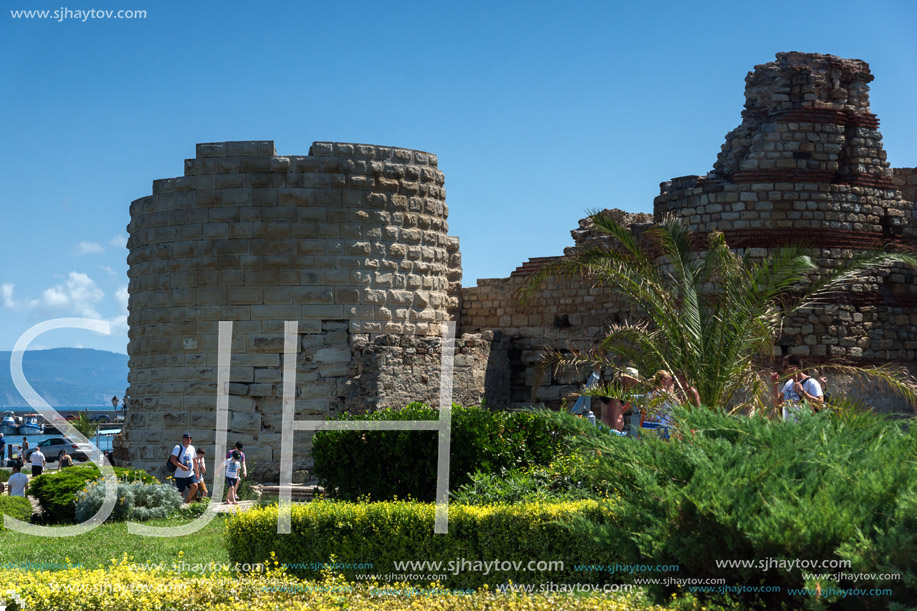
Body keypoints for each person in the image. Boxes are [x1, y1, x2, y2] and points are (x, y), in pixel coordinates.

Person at [771, 355, 823, 421]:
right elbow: (778, 404)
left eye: (785, 367)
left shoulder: (811, 382)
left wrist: (802, 392)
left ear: (795, 367)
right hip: (789, 427)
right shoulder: (788, 383)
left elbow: (820, 404)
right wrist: (775, 384)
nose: (783, 370)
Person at [642, 370, 677, 439]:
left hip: (648, 427)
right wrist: (672, 392)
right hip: (661, 430)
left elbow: (644, 413)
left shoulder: (649, 394)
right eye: (672, 380)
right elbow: (679, 407)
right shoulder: (664, 394)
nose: (674, 382)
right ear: (664, 381)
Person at [170, 433, 199, 503]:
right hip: (180, 474)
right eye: (187, 438)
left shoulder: (192, 448)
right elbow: (172, 459)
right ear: (183, 439)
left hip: (190, 473)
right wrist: (182, 466)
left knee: (195, 486)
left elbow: (194, 460)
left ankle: (186, 502)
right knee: (180, 493)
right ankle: (178, 506)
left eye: (190, 438)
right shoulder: (178, 447)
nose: (189, 439)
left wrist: (197, 472)